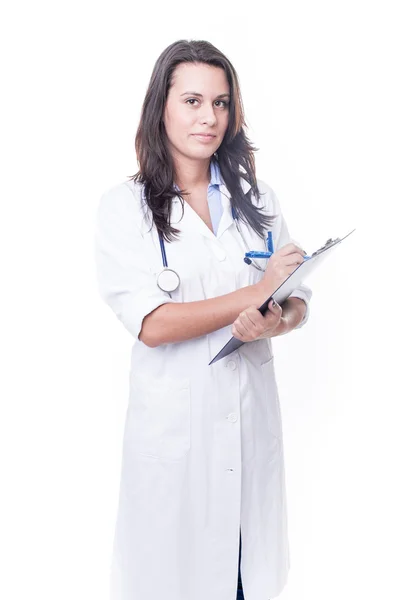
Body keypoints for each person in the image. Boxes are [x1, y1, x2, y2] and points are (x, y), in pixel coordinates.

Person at [95, 39, 312, 600]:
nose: (208, 117)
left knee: (245, 579)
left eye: (221, 103)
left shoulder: (258, 200)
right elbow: (152, 324)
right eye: (192, 100)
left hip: (248, 433)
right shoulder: (126, 208)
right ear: (161, 105)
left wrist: (274, 318)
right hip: (174, 445)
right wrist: (254, 294)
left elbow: (296, 302)